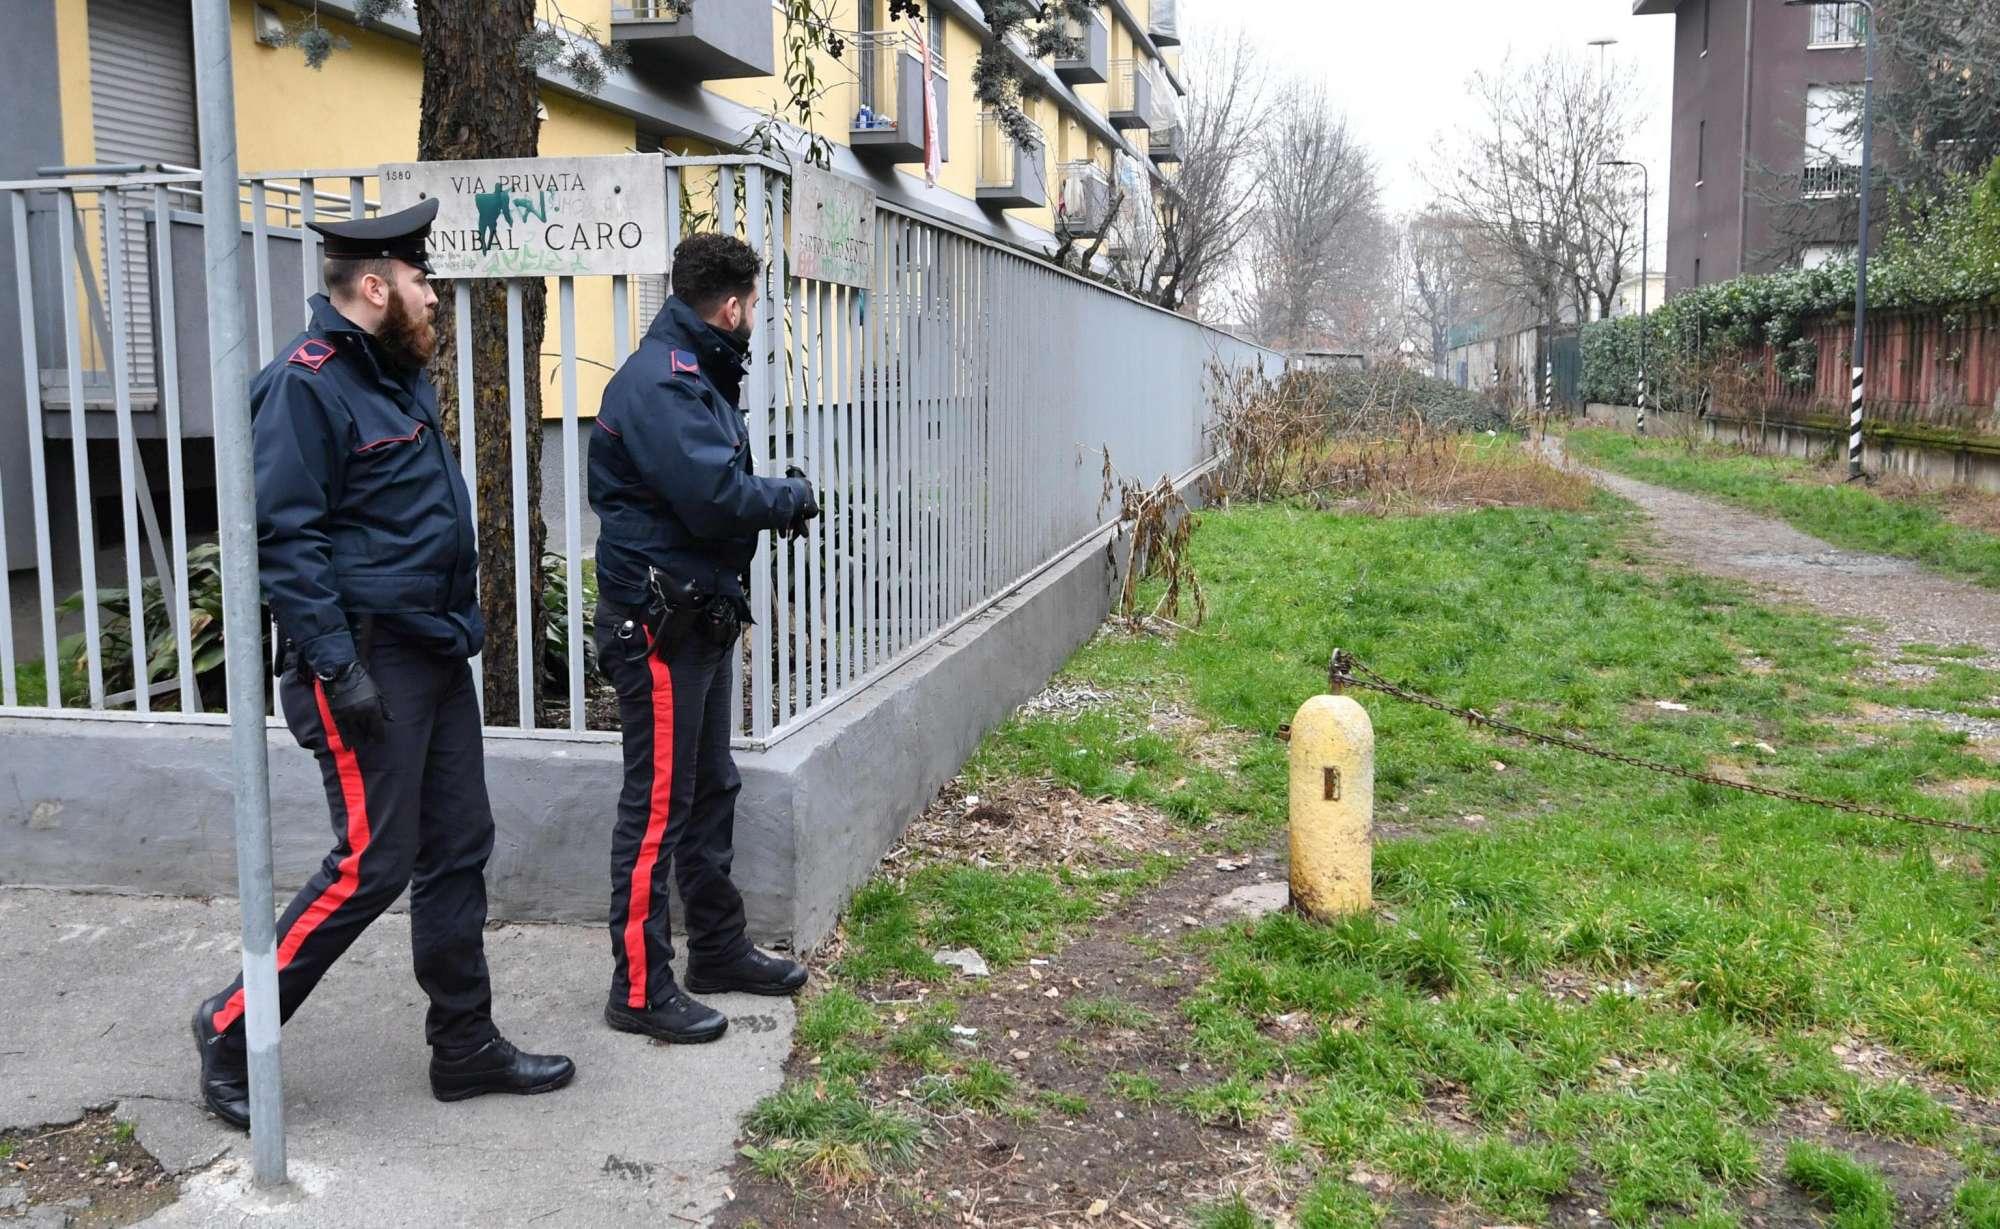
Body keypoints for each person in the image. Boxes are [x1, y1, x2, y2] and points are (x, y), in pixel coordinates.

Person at [192, 198, 575, 1129]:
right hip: (364, 665)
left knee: (458, 847)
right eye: (420, 279)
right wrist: (335, 669)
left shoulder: (393, 374)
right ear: (375, 286)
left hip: (430, 653)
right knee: (371, 862)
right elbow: (286, 539)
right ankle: (230, 1026)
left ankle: (465, 1044)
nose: (434, 295)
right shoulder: (306, 385)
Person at [589, 233, 819, 1042]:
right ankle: (640, 988)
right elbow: (713, 496)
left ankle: (716, 948)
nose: (753, 318)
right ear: (730, 306)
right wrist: (786, 496)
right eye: (753, 306)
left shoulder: (694, 376)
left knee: (710, 785)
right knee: (657, 807)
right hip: (658, 624)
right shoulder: (662, 383)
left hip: (699, 611)